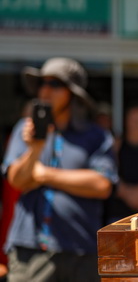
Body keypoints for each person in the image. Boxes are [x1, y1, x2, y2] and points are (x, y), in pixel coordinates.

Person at [1, 57, 117, 281]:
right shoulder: (23, 131)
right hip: (31, 251)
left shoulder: (96, 136)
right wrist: (35, 149)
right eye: (42, 83)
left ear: (72, 94)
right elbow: (17, 180)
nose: (45, 90)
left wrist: (44, 175)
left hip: (81, 251)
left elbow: (102, 185)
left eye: (55, 85)